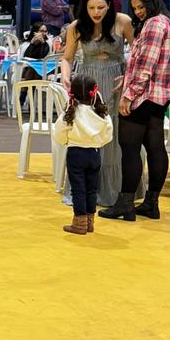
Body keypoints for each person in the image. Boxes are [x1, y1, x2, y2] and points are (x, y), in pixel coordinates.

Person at [99, 0, 170, 223]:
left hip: (144, 96)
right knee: (155, 146)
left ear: (152, 4)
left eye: (141, 7)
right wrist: (127, 78)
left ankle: (125, 204)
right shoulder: (165, 22)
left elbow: (147, 65)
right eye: (135, 8)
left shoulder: (155, 24)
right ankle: (151, 204)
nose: (138, 12)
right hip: (159, 96)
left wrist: (129, 94)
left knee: (130, 147)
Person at [59, 0, 133, 209]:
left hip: (116, 82)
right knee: (87, 134)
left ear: (109, 5)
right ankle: (83, 189)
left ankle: (115, 190)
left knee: (114, 134)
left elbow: (138, 51)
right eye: (91, 7)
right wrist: (65, 77)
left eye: (101, 7)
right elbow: (67, 58)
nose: (96, 12)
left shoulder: (123, 21)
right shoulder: (77, 26)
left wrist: (129, 75)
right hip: (88, 81)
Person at [52, 74, 114, 235]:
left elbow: (59, 131)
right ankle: (89, 221)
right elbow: (108, 134)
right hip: (94, 153)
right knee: (92, 189)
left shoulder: (71, 111)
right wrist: (97, 142)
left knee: (78, 190)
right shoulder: (101, 112)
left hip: (76, 153)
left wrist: (66, 140)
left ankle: (79, 222)